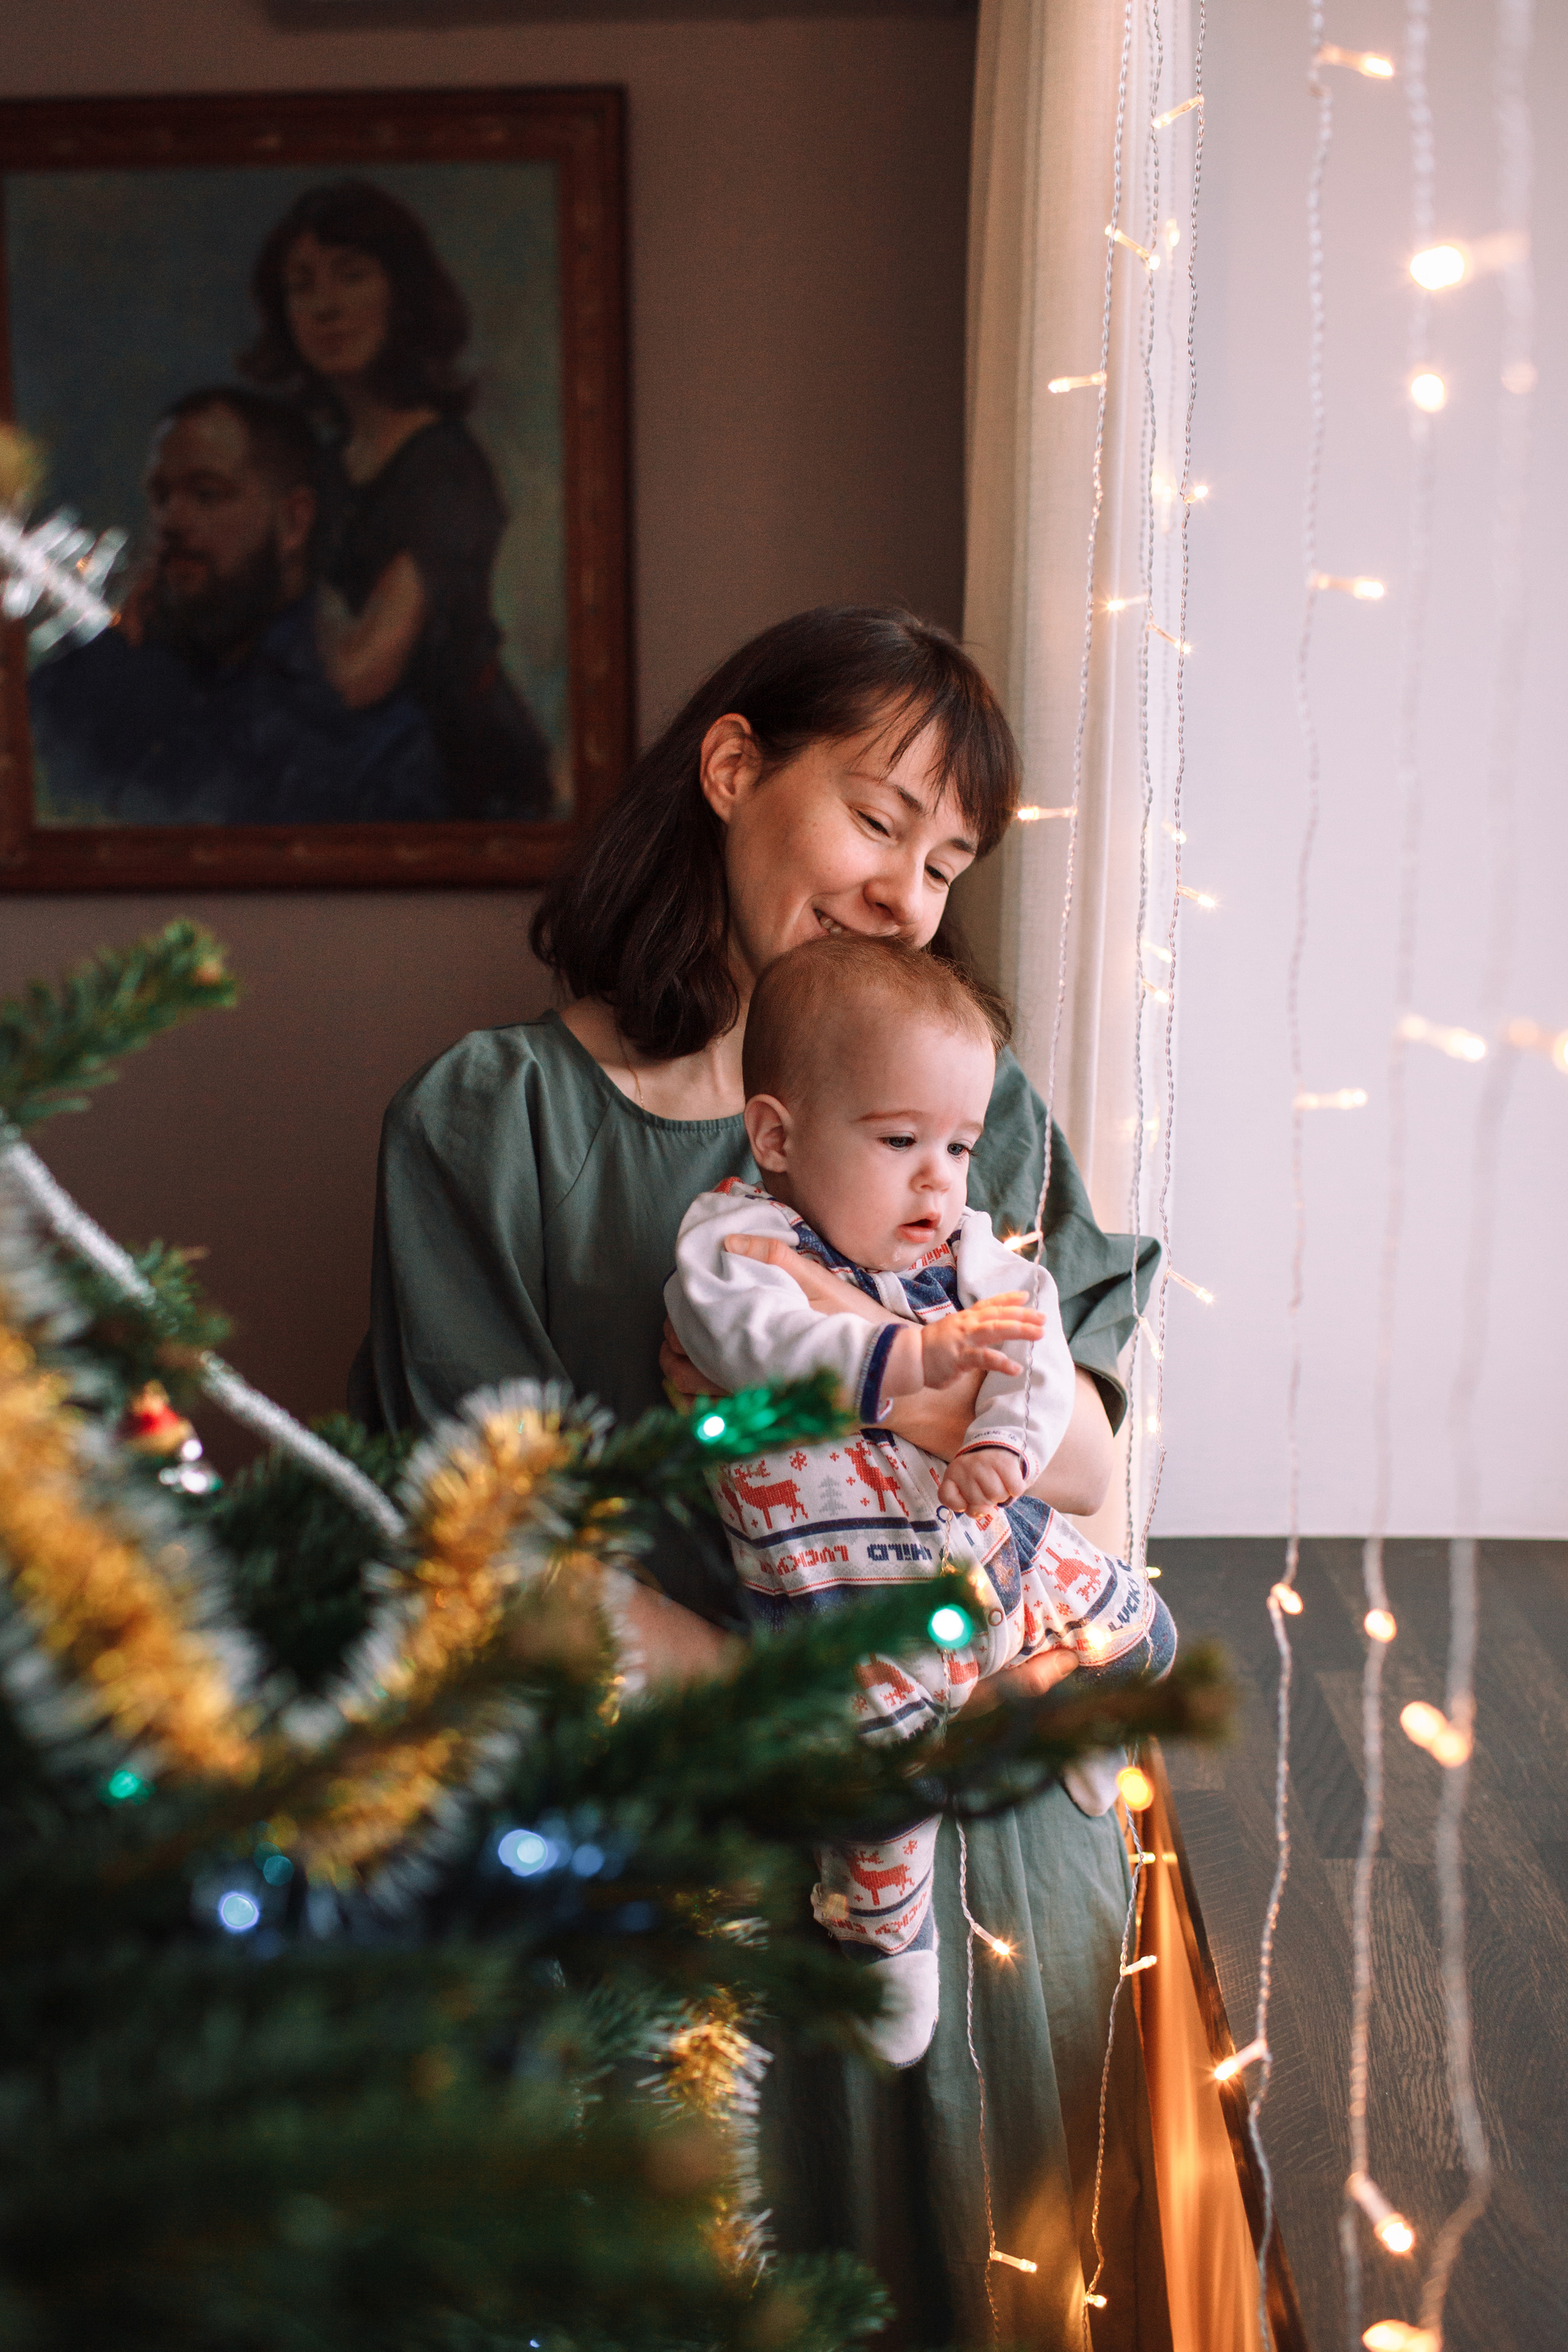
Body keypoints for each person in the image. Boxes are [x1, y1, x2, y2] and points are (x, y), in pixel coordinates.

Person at [352, 606, 1169, 2350]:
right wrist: (799, 1723)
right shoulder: (491, 1126)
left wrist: (974, 1389)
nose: (908, 895)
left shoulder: (970, 1099)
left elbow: (1087, 1454)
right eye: (880, 820)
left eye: (947, 861)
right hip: (666, 1866)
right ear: (735, 769)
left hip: (982, 1874)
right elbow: (484, 1546)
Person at [666, 934, 1173, 2070]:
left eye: (957, 1145)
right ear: (778, 1136)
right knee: (882, 1808)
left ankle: (1073, 1722)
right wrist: (908, 1357)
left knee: (1138, 1626)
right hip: (851, 1609)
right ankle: (893, 1942)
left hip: (990, 1552)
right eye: (899, 1142)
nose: (939, 1179)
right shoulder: (735, 1243)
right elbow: (757, 1348)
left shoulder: (971, 1248)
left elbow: (1034, 1348)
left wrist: (1002, 1437)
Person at [239, 178, 555, 822]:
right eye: (302, 286)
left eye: (350, 276)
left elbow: (362, 674)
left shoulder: (444, 467)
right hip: (353, 766)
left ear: (402, 294)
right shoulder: (320, 466)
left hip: (458, 773)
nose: (325, 307)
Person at [28, 386, 448, 827]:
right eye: (161, 496)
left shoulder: (373, 741)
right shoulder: (79, 691)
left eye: (207, 494)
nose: (171, 520)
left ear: (293, 522)